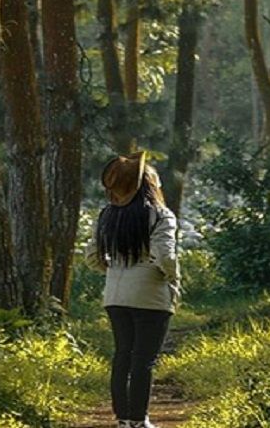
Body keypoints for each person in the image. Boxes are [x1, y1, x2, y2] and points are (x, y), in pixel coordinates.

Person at [85, 151, 183, 428]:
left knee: (122, 355)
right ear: (150, 186)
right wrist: (172, 276)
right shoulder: (161, 215)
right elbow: (164, 254)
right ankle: (140, 420)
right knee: (144, 360)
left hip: (115, 296)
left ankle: (123, 419)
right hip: (150, 295)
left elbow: (91, 256)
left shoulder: (106, 215)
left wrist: (115, 271)